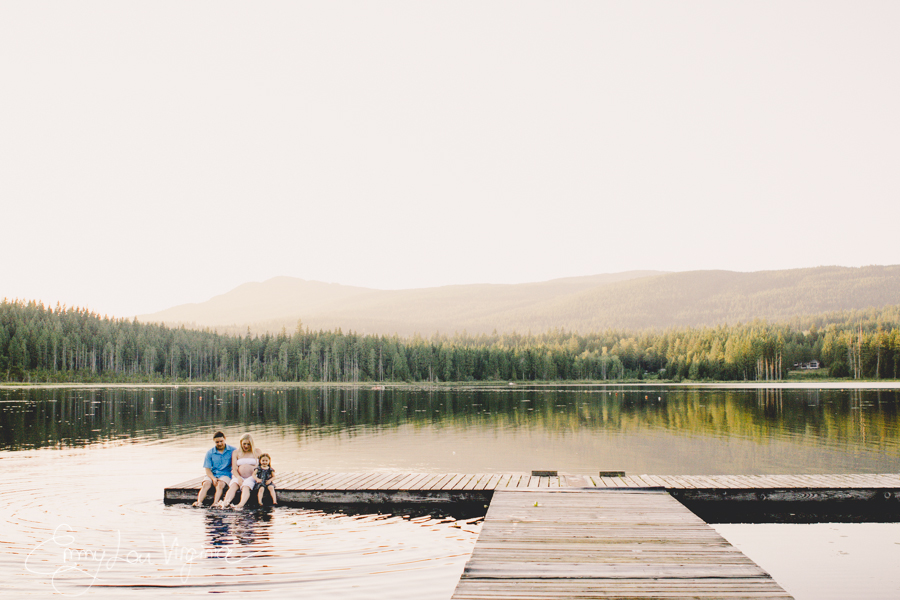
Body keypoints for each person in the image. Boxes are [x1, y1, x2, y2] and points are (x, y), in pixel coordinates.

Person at [217, 433, 262, 510]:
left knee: (245, 486)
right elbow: (234, 469)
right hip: (239, 476)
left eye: (248, 444)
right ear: (241, 443)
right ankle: (225, 503)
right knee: (233, 486)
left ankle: (240, 505)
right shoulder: (236, 452)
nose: (246, 446)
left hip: (252, 476)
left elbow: (262, 466)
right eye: (244, 444)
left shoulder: (257, 451)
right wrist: (238, 477)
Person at [193, 431, 235, 507]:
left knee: (220, 484)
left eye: (221, 441)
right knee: (206, 484)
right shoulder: (210, 452)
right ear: (214, 442)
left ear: (225, 439)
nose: (219, 444)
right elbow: (207, 469)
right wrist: (213, 478)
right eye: (217, 442)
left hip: (226, 474)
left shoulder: (233, 450)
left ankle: (215, 503)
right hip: (213, 473)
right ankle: (199, 502)